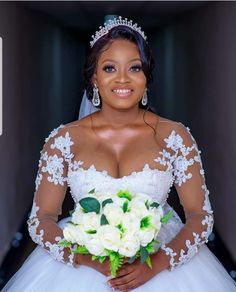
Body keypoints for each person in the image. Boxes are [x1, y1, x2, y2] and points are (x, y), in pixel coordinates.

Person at [3, 16, 236, 292]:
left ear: (146, 76)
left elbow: (200, 215)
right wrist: (85, 257)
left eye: (135, 68)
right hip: (82, 269)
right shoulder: (63, 140)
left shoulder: (175, 137)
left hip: (164, 269)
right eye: (110, 67)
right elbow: (41, 219)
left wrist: (159, 262)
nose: (123, 78)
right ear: (95, 77)